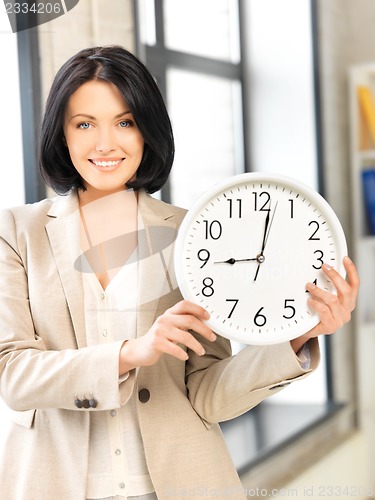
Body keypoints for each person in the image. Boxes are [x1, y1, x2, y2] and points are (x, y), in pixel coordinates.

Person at [0, 46, 359, 500]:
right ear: (62, 134)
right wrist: (133, 352)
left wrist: (298, 336)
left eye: (125, 122)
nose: (105, 143)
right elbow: (12, 374)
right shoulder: (17, 232)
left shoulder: (193, 233)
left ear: (147, 131)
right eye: (84, 123)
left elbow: (210, 394)